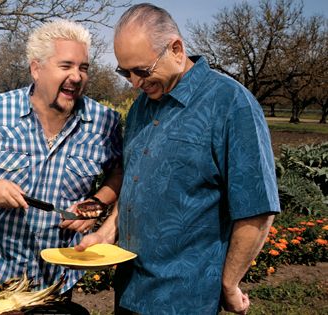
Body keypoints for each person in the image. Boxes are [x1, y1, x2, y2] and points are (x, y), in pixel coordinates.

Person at [76, 3, 280, 315]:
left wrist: (229, 284)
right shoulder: (142, 107)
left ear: (176, 49)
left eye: (142, 71)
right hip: (129, 290)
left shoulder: (230, 104)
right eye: (125, 72)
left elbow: (257, 209)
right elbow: (135, 182)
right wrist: (105, 233)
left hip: (185, 299)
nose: (134, 83)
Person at [0, 19, 123, 301]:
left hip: (57, 277)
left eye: (83, 68)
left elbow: (118, 172)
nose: (78, 76)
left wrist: (98, 200)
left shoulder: (104, 123)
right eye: (66, 66)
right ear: (36, 69)